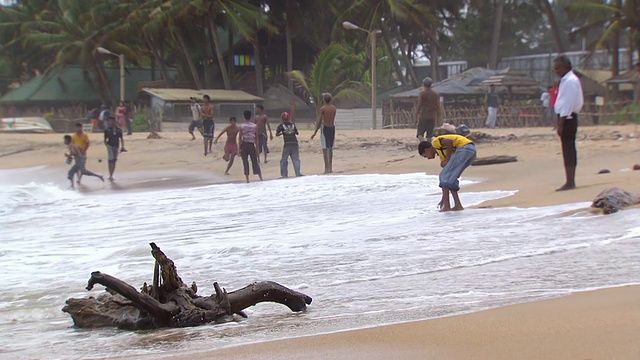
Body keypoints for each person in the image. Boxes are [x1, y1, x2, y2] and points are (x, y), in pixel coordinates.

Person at [418, 134, 477, 212]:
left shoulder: (435, 143)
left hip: (464, 148)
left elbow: (449, 141)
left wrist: (447, 158)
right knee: (451, 178)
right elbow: (447, 176)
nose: (428, 158)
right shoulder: (442, 153)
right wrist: (443, 197)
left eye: (426, 156)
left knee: (443, 176)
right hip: (471, 151)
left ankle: (446, 206)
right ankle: (457, 205)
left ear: (427, 150)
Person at [553, 55, 584, 192]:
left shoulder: (570, 81)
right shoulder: (566, 80)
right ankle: (569, 180)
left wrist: (561, 123)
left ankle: (570, 181)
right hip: (566, 116)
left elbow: (568, 103)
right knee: (567, 148)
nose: (556, 71)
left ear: (566, 67)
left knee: (569, 149)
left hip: (568, 118)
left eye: (558, 68)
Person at [311, 93, 336, 174]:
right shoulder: (333, 108)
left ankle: (326, 168)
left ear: (324, 100)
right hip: (332, 128)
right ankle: (330, 167)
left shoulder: (323, 109)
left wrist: (315, 131)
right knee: (330, 147)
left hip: (325, 128)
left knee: (325, 148)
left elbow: (320, 121)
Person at [414, 77, 441, 142]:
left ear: (424, 84)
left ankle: (423, 143)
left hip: (423, 116)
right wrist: (439, 118)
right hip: (432, 117)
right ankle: (428, 147)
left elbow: (419, 106)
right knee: (429, 135)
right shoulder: (435, 94)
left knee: (420, 134)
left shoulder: (422, 94)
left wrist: (416, 117)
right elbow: (438, 107)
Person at [238, 110, 263, 183]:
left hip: (244, 144)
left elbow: (240, 138)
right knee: (255, 162)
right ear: (250, 116)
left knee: (245, 162)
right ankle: (260, 178)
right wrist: (257, 148)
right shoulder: (254, 126)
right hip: (251, 145)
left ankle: (247, 180)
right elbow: (256, 138)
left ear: (244, 117)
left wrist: (239, 148)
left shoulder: (242, 126)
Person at [276, 111, 302, 178]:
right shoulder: (292, 125)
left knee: (284, 159)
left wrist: (283, 133)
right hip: (295, 143)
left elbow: (277, 134)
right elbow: (297, 133)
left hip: (287, 144)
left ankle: (284, 175)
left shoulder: (281, 126)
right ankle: (298, 173)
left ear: (282, 118)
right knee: (296, 159)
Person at [104, 116, 127, 181]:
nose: (112, 122)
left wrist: (122, 146)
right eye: (111, 121)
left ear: (115, 121)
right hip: (110, 145)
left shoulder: (118, 130)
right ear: (109, 122)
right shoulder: (107, 130)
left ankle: (111, 174)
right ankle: (110, 175)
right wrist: (107, 146)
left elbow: (121, 138)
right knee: (110, 159)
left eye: (113, 121)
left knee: (114, 160)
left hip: (116, 146)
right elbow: (105, 139)